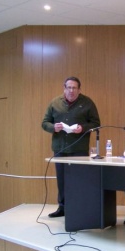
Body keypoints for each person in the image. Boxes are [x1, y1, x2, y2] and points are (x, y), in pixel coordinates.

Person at [42, 76, 101, 218]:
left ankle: (79, 207)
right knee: (61, 179)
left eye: (74, 88)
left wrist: (83, 128)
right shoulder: (55, 103)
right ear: (64, 88)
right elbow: (44, 123)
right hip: (60, 148)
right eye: (69, 87)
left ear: (79, 90)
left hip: (79, 149)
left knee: (79, 180)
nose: (71, 91)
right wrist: (53, 127)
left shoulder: (88, 103)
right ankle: (62, 208)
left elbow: (96, 123)